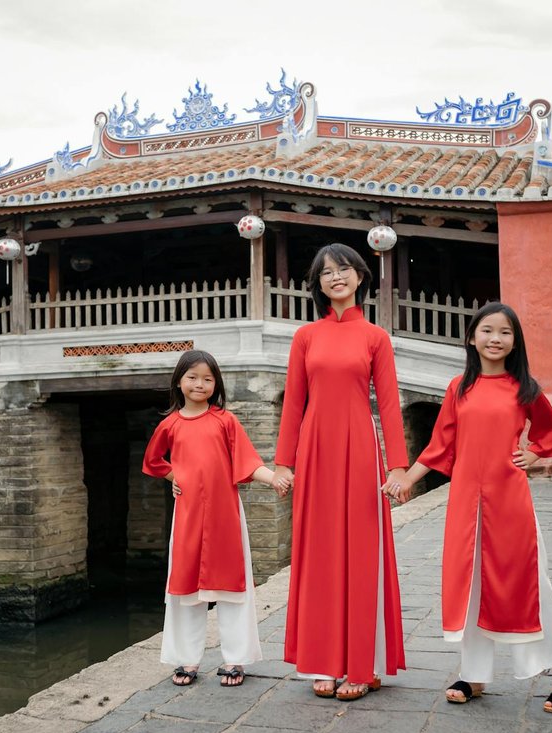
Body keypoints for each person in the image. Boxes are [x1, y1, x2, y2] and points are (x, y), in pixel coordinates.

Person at [391, 301, 552, 713]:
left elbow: (550, 429)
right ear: (472, 337)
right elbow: (442, 445)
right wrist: (407, 478)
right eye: (488, 331)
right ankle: (474, 673)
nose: (496, 339)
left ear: (515, 342)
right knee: (471, 583)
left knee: (530, 583)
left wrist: (534, 452)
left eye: (505, 333)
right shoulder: (459, 387)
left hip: (509, 499)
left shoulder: (524, 387)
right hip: (465, 501)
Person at [273, 242, 408, 701]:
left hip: (358, 447)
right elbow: (293, 403)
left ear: (360, 277)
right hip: (314, 449)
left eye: (345, 268)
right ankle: (323, 660)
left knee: (361, 552)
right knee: (320, 554)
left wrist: (399, 468)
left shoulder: (375, 337)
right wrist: (283, 464)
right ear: (317, 284)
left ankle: (362, 663)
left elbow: (389, 404)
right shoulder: (305, 337)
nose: (336, 276)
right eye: (326, 272)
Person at [143, 349, 285, 687]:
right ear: (179, 381)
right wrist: (173, 476)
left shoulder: (226, 421)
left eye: (208, 379)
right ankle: (186, 660)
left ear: (216, 384)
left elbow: (248, 463)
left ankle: (235, 660)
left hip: (225, 518)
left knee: (232, 588)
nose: (199, 384)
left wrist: (274, 479)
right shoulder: (170, 424)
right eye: (192, 377)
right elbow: (154, 461)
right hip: (188, 517)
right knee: (184, 589)